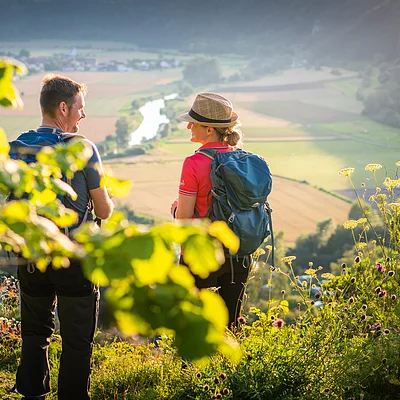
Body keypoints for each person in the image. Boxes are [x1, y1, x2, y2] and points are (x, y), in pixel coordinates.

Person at [14, 74, 114, 400]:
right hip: (75, 257)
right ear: (63, 108)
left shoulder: (17, 147)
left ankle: (32, 394)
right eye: (80, 108)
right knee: (77, 340)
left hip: (31, 254)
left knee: (34, 333)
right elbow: (104, 208)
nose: (83, 115)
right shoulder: (83, 148)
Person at [170, 92, 250, 329]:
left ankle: (190, 368)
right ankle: (233, 366)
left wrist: (174, 210)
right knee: (231, 324)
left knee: (193, 324)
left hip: (201, 255)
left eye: (193, 122)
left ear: (209, 130)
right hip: (239, 252)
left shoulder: (193, 163)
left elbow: (184, 218)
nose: (188, 126)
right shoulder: (241, 159)